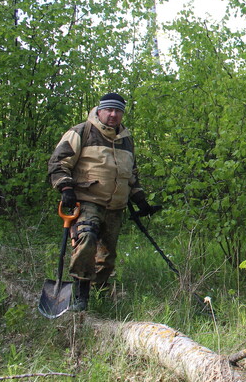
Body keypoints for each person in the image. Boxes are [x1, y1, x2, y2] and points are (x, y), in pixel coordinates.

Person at [47, 92, 161, 311]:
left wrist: (139, 198)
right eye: (109, 110)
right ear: (99, 110)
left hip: (116, 205)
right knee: (87, 240)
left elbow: (131, 173)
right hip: (88, 200)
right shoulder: (82, 132)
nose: (113, 114)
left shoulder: (126, 139)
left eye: (118, 111)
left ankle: (99, 293)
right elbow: (58, 163)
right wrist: (66, 187)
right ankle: (81, 296)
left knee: (107, 255)